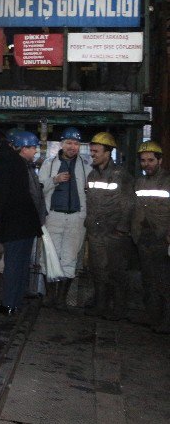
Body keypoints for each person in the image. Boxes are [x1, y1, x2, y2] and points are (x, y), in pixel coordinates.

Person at [0, 131, 46, 315]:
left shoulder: (7, 160)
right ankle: (16, 302)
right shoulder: (22, 164)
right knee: (21, 263)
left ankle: (8, 305)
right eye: (32, 148)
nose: (34, 152)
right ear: (21, 148)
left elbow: (2, 189)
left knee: (13, 264)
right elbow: (3, 183)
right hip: (28, 222)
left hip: (16, 221)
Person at [83, 132, 136, 321]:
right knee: (98, 270)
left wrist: (121, 228)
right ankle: (101, 306)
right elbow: (90, 202)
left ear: (108, 152)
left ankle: (119, 309)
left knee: (116, 272)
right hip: (96, 232)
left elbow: (128, 203)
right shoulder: (91, 174)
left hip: (114, 233)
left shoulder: (121, 175)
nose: (93, 154)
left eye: (96, 151)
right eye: (92, 151)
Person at [37, 127, 89, 309]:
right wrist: (55, 180)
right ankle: (49, 296)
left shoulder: (86, 165)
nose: (72, 147)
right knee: (49, 256)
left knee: (69, 258)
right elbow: (39, 188)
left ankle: (61, 299)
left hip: (76, 218)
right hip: (53, 217)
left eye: (76, 143)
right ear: (61, 144)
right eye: (69, 143)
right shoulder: (49, 164)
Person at [133, 140, 170, 333]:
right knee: (149, 280)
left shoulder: (168, 181)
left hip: (162, 238)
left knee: (164, 281)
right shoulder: (139, 182)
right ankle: (153, 318)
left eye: (150, 160)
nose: (146, 164)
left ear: (160, 160)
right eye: (143, 160)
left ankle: (166, 320)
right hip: (143, 237)